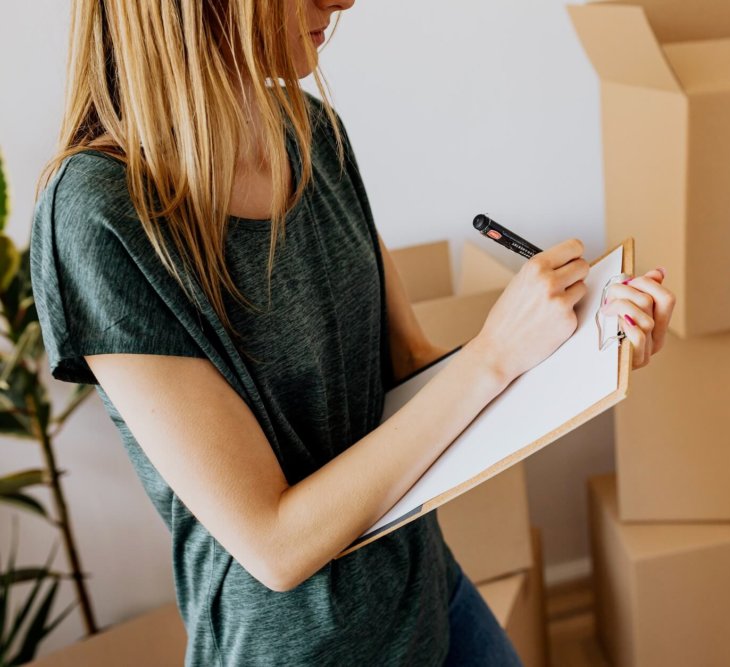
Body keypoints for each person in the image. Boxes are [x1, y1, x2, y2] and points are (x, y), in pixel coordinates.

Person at [29, 0, 675, 665]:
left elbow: (415, 373)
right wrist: (492, 353)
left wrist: (584, 345)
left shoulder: (315, 135)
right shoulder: (100, 217)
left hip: (427, 593)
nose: (343, 1)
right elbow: (273, 544)